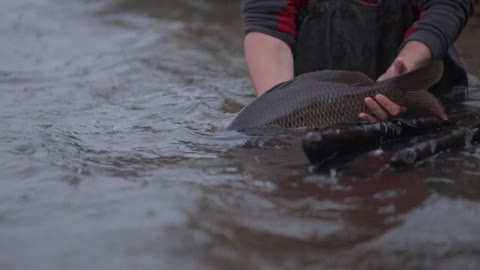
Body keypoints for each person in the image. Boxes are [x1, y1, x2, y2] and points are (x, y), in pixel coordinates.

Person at [240, 0, 477, 122]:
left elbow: (446, 6)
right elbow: (268, 24)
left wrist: (403, 70)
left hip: (431, 104)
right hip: (319, 113)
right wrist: (276, 117)